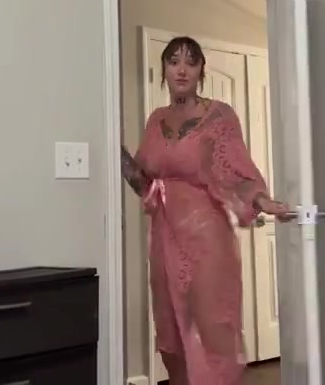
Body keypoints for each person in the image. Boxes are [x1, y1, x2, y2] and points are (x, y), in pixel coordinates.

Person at [121, 36, 290, 385]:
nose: (182, 69)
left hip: (208, 240)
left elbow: (238, 171)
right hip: (165, 239)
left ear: (202, 70)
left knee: (212, 328)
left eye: (191, 61)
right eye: (173, 61)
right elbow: (143, 182)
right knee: (171, 329)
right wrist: (113, 145)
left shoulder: (218, 116)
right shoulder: (155, 120)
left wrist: (262, 201)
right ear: (163, 70)